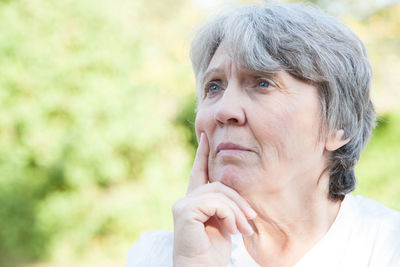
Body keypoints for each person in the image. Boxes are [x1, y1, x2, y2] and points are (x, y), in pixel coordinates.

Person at [126, 2, 400, 266]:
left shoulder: (388, 247)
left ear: (339, 125)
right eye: (213, 87)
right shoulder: (159, 257)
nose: (224, 110)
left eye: (262, 83)